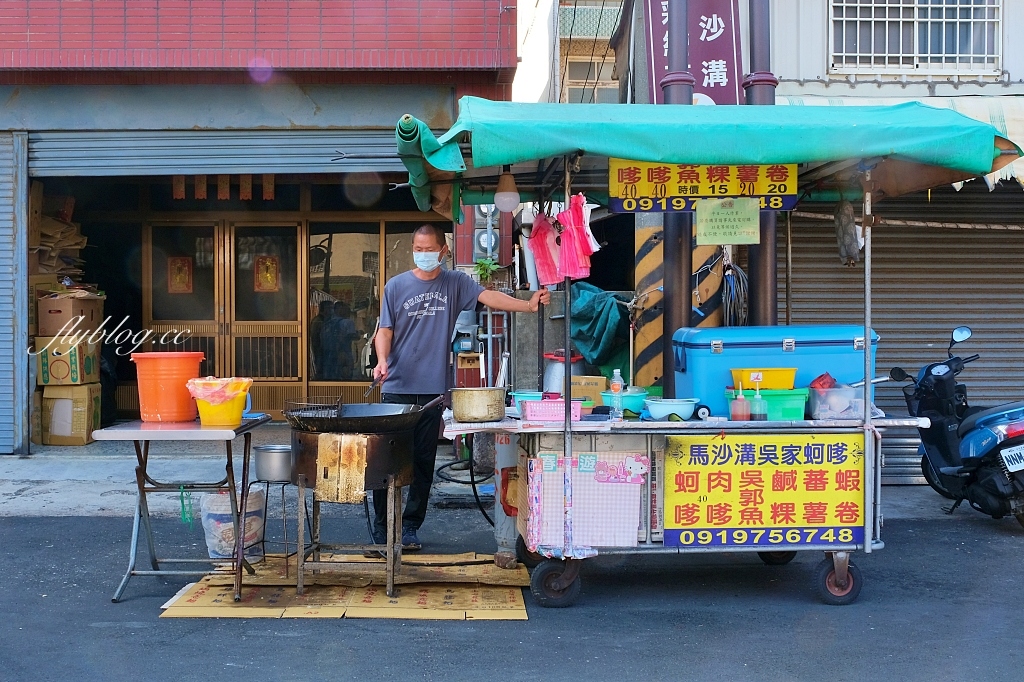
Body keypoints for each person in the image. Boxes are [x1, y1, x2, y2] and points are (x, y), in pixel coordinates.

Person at [371, 223, 550, 551]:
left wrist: (527, 305)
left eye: (429, 249)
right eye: (418, 248)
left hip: (431, 389)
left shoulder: (454, 283)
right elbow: (385, 330)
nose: (423, 254)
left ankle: (410, 527)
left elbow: (488, 296)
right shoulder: (395, 287)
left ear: (443, 251)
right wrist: (382, 360)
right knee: (387, 459)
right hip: (395, 386)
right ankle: (382, 528)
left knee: (423, 460)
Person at [322, 301, 357, 380]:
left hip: (329, 355)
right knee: (346, 376)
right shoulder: (348, 322)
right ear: (340, 309)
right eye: (345, 309)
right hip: (344, 352)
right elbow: (352, 336)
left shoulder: (327, 323)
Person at [309, 300, 333, 380]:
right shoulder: (318, 321)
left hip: (325, 350)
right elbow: (315, 337)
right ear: (324, 309)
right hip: (320, 350)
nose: (331, 310)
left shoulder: (326, 320)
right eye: (330, 308)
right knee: (321, 371)